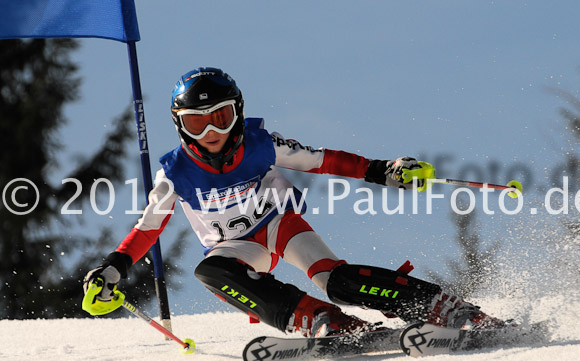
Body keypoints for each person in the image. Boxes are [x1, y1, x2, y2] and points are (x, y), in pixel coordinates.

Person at [82, 67, 506, 337]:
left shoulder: (260, 144)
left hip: (276, 224)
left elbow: (322, 161)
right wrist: (113, 267)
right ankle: (320, 321)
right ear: (180, 126)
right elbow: (148, 226)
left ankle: (441, 306)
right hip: (235, 246)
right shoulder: (174, 171)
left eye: (221, 118)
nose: (210, 132)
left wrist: (382, 170)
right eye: (196, 123)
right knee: (210, 270)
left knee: (335, 281)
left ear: (237, 113)